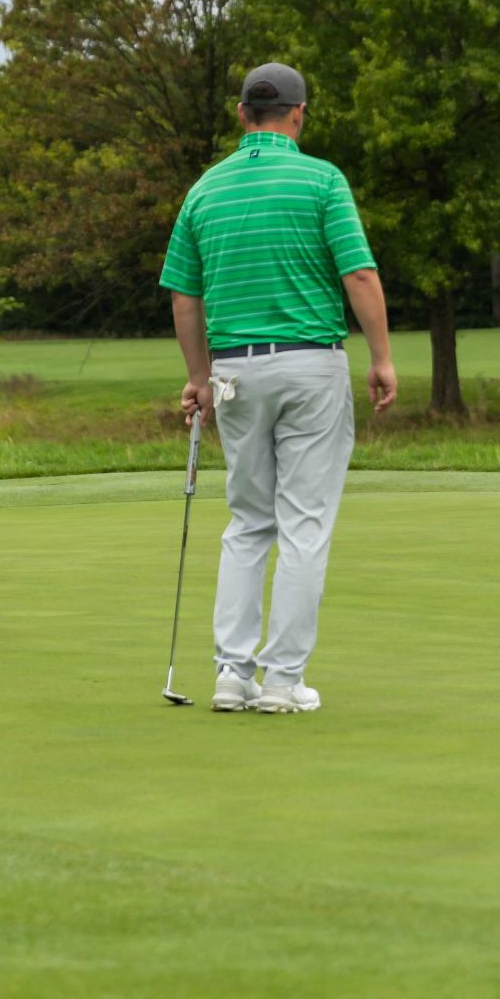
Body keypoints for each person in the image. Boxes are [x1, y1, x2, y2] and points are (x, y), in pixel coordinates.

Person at [162, 62, 397, 714]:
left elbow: (185, 295)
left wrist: (198, 375)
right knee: (304, 523)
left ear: (242, 115)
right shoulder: (322, 180)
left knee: (248, 520)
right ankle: (283, 679)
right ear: (299, 114)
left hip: (235, 371)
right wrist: (380, 356)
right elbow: (359, 277)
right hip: (311, 364)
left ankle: (232, 674)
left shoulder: (204, 190)